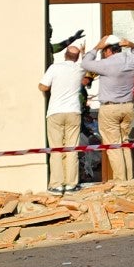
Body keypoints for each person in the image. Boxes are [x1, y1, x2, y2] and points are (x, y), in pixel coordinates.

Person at [82, 34, 134, 182]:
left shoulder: (105, 64)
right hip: (128, 106)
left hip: (110, 108)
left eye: (103, 51)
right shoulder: (131, 60)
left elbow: (85, 63)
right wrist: (130, 44)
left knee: (114, 146)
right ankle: (129, 179)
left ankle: (120, 181)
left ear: (108, 50)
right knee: (125, 143)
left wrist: (96, 47)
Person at [38, 41, 87, 193]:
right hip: (73, 111)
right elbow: (87, 66)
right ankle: (72, 184)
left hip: (56, 112)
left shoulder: (55, 68)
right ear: (77, 57)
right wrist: (84, 53)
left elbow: (43, 86)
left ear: (65, 54)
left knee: (56, 149)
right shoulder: (80, 68)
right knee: (72, 150)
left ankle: (57, 184)